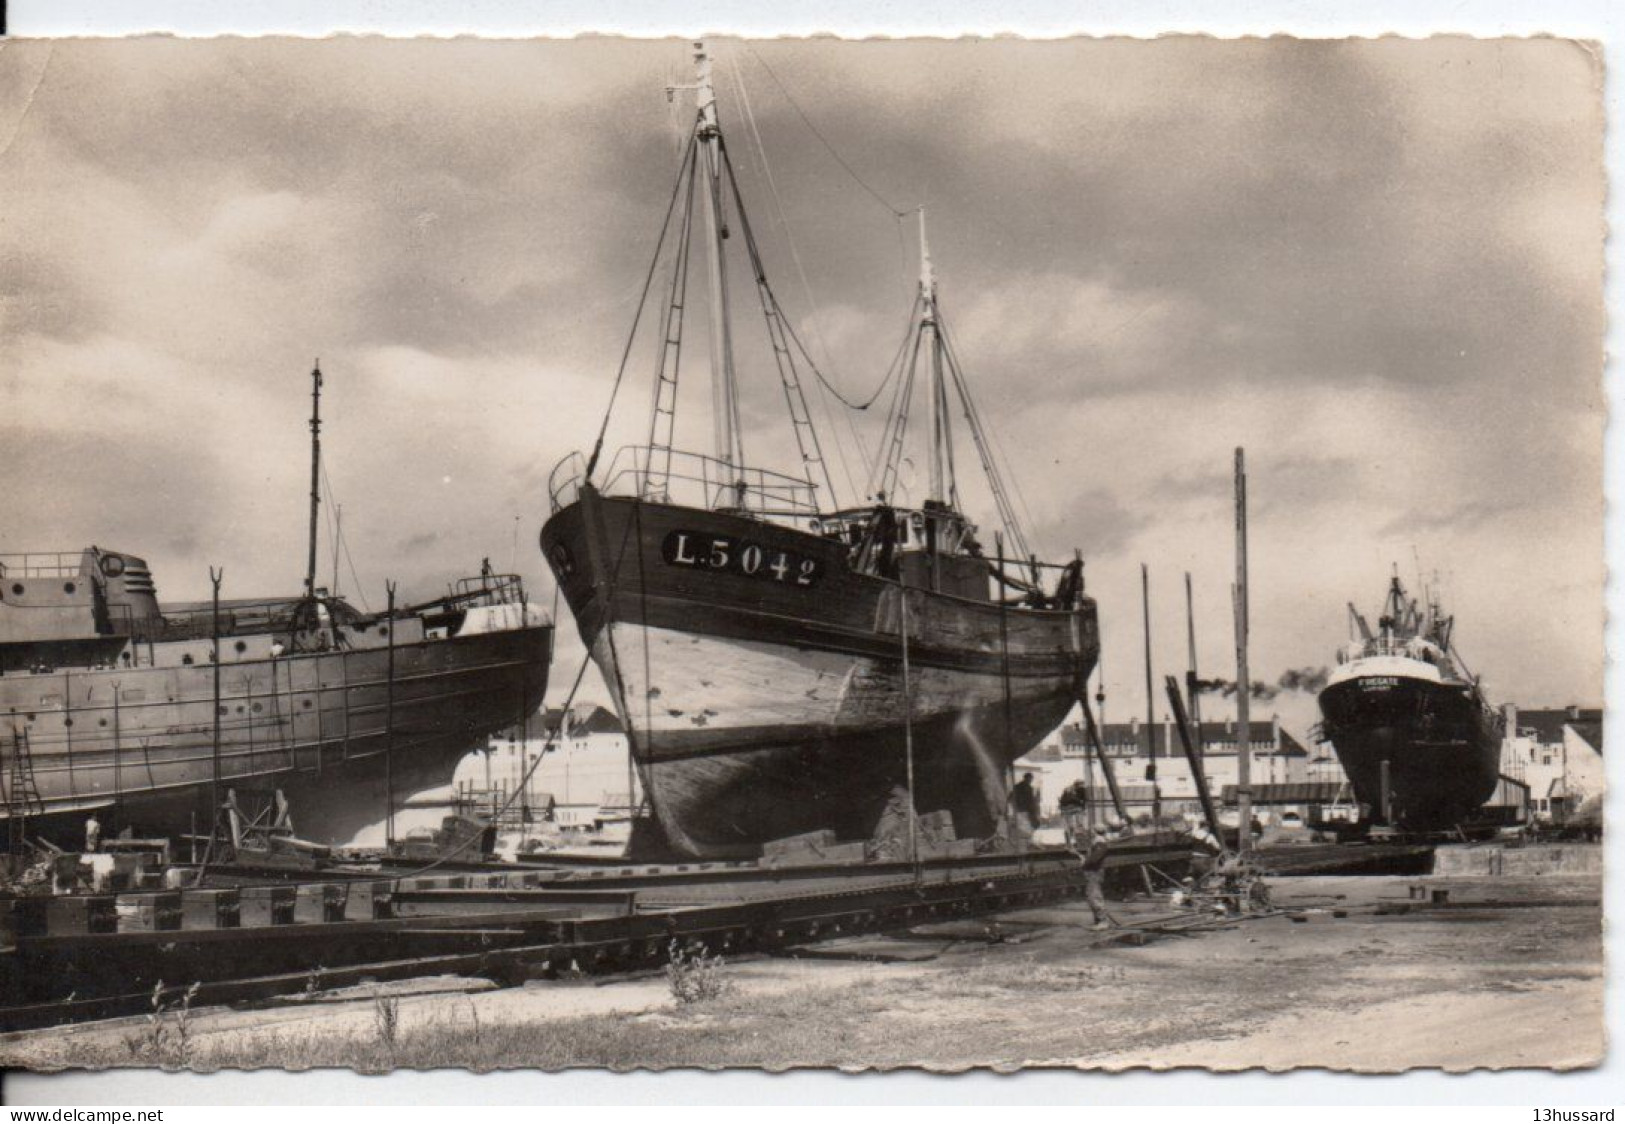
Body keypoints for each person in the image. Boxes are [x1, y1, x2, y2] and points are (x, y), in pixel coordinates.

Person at [1079, 824, 1116, 929]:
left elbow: (1094, 859)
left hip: (1095, 873)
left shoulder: (1099, 842)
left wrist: (1084, 862)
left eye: (1091, 830)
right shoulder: (1098, 842)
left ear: (1095, 831)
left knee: (1094, 896)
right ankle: (1098, 921)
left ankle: (1103, 922)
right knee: (1091, 896)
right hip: (1093, 872)